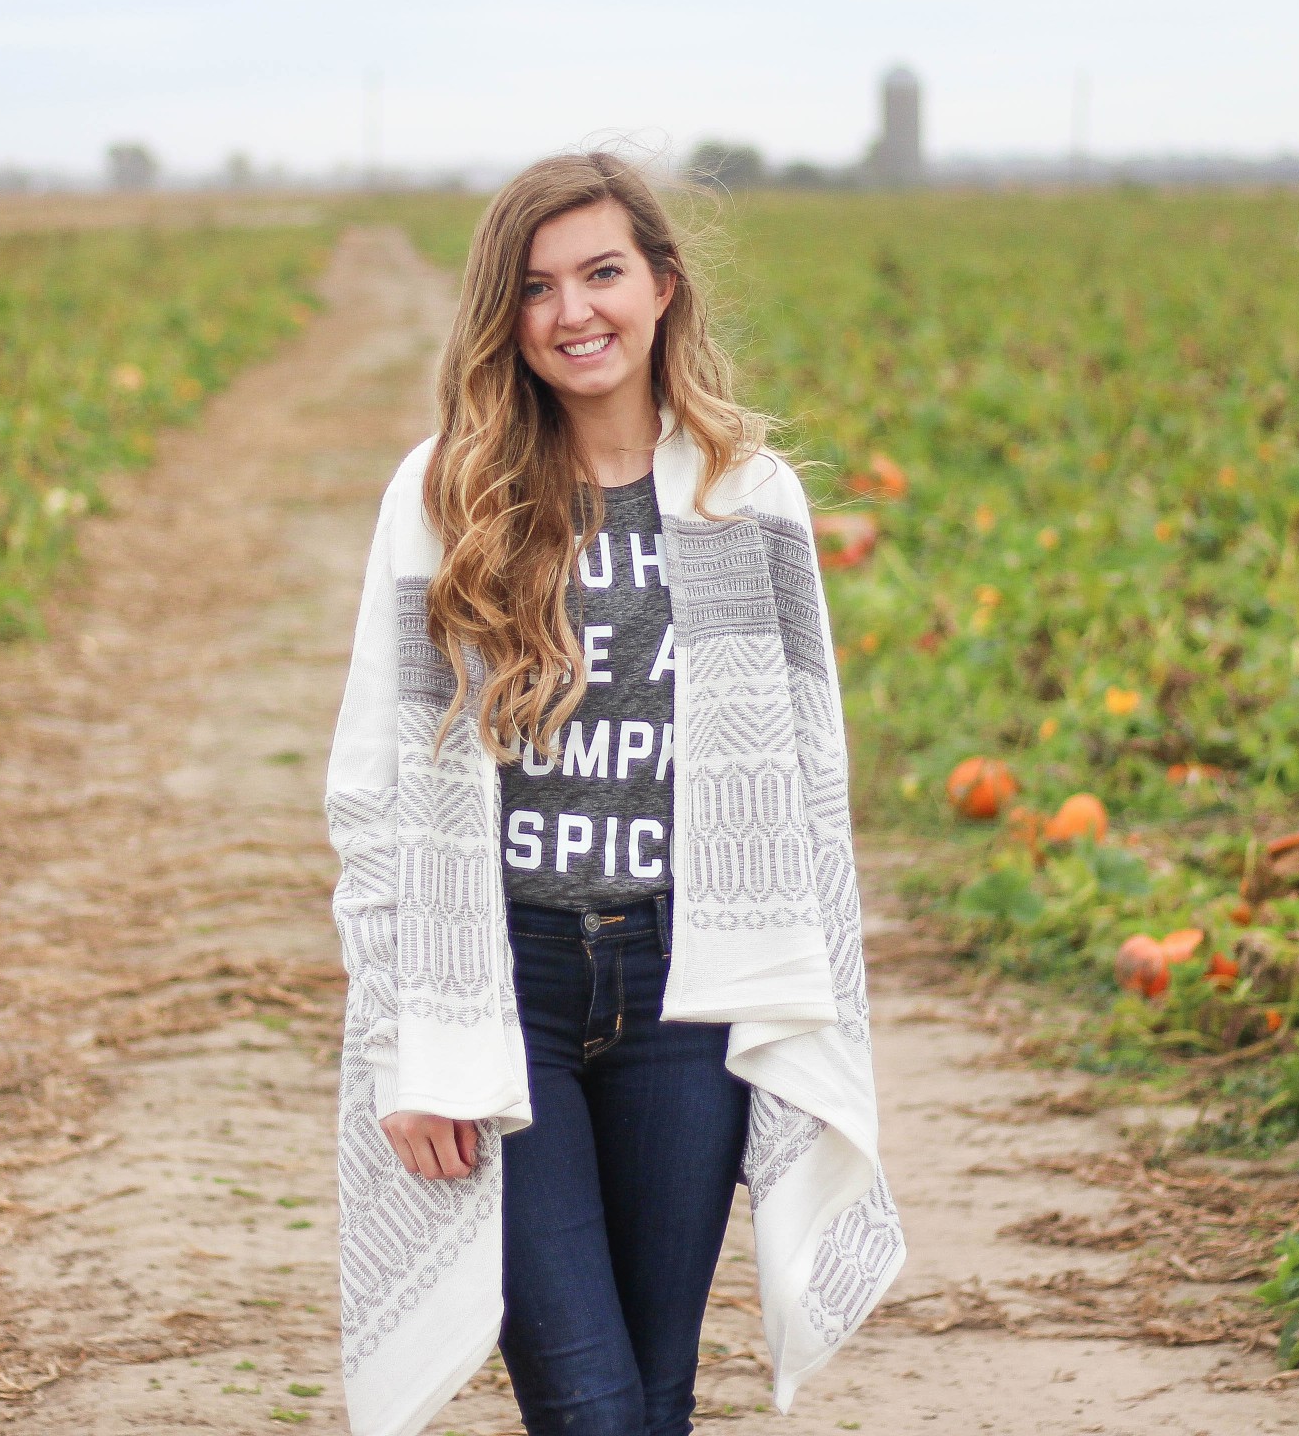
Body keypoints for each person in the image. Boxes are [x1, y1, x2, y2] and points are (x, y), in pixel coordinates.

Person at [326, 153, 902, 1436]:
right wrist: (405, 1040)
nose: (574, 312)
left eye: (601, 274)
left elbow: (811, 784)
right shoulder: (446, 498)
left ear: (662, 288)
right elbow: (380, 784)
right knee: (588, 1404)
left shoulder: (748, 497)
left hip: (686, 994)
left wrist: (814, 1009)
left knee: (655, 1396)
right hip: (505, 986)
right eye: (537, 288)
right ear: (504, 317)